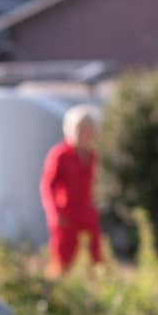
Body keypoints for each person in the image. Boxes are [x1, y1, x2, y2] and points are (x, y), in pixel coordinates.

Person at [40, 104, 104, 275]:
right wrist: (55, 213)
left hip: (86, 213)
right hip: (65, 215)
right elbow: (48, 186)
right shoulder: (60, 154)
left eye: (87, 129)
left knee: (96, 259)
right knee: (62, 261)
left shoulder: (92, 156)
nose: (83, 133)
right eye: (79, 128)